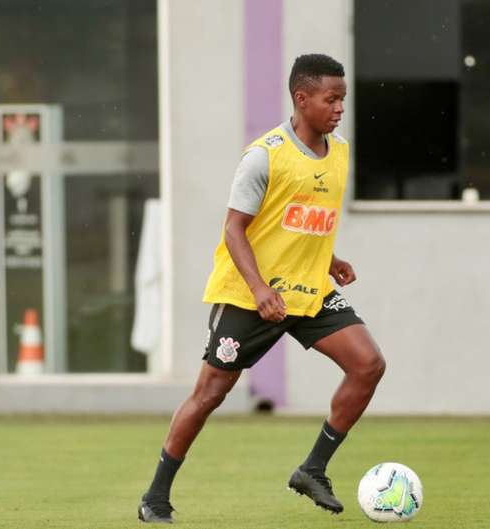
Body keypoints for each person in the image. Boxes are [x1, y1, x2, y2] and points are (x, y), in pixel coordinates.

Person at [138, 53, 386, 523]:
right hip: (249, 297)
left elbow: (297, 220)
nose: (339, 109)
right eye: (331, 100)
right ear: (301, 98)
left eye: (343, 100)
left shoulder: (340, 152)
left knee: (368, 364)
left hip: (309, 291)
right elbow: (235, 229)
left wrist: (328, 260)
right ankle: (155, 497)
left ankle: (313, 469)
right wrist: (259, 290)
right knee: (210, 393)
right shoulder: (264, 155)